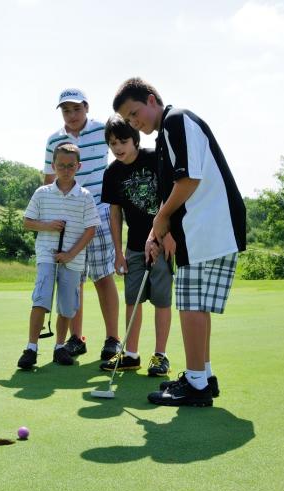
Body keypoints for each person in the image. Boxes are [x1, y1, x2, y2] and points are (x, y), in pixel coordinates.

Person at [113, 77, 246, 407]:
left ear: (151, 99)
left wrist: (160, 219)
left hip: (208, 225)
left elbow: (189, 179)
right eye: (128, 119)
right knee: (195, 303)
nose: (133, 123)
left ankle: (196, 384)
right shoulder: (165, 136)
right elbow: (171, 190)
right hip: (206, 227)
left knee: (190, 304)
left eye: (134, 113)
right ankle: (204, 376)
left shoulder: (176, 120)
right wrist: (155, 231)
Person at [43, 88, 120, 360]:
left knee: (103, 276)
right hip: (70, 218)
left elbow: (122, 155)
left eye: (76, 109)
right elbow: (48, 180)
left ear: (86, 107)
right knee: (73, 280)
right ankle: (76, 338)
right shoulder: (54, 140)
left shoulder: (103, 130)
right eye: (66, 110)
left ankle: (113, 339)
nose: (72, 115)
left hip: (100, 211)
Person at [99, 114, 173, 376]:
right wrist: (118, 252)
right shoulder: (112, 173)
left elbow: (171, 197)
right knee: (133, 299)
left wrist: (168, 234)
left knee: (162, 300)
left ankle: (160, 356)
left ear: (135, 140)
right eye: (112, 143)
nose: (118, 148)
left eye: (122, 141)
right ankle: (131, 354)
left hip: (162, 243)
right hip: (133, 247)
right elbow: (115, 214)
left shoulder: (155, 158)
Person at [18, 143, 100, 370]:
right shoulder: (42, 193)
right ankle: (31, 348)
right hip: (47, 255)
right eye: (61, 165)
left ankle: (59, 347)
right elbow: (27, 222)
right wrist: (48, 226)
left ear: (78, 166)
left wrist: (70, 254)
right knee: (41, 299)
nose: (65, 170)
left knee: (67, 306)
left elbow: (91, 229)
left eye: (70, 166)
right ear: (53, 166)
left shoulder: (85, 196)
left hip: (73, 259)